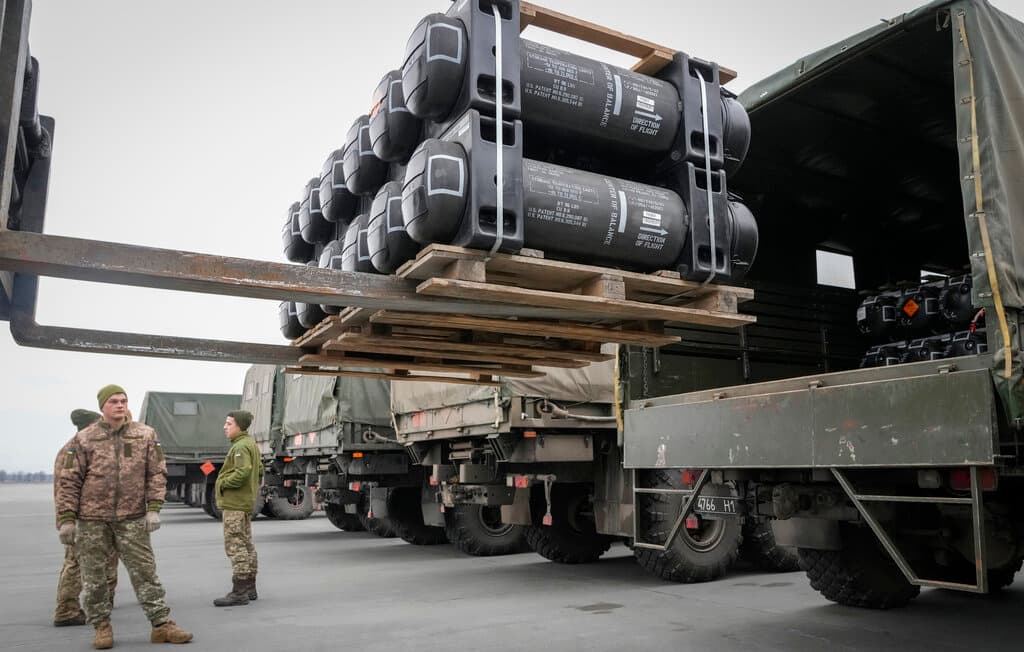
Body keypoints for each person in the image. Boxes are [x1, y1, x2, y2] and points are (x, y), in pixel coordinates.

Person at [56, 384, 193, 649]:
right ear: (102, 407)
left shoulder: (145, 435)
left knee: (145, 572)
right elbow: (69, 479)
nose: (120, 405)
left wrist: (154, 509)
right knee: (94, 577)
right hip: (93, 519)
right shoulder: (84, 439)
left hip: (132, 517)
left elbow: (156, 473)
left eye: (123, 400)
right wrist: (67, 518)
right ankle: (101, 626)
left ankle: (161, 625)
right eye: (114, 401)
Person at [53, 409, 119, 627]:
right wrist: (68, 520)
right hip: (82, 518)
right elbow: (68, 488)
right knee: (76, 562)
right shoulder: (76, 449)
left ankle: (94, 605)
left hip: (87, 516)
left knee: (86, 561)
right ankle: (67, 610)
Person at [213, 410, 262, 607]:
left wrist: (223, 483)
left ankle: (239, 591)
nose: (225, 427)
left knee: (235, 544)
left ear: (239, 426)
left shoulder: (240, 447)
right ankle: (250, 587)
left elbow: (243, 472)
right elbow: (259, 470)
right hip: (244, 503)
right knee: (246, 543)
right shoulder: (250, 444)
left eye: (229, 423)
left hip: (235, 503)